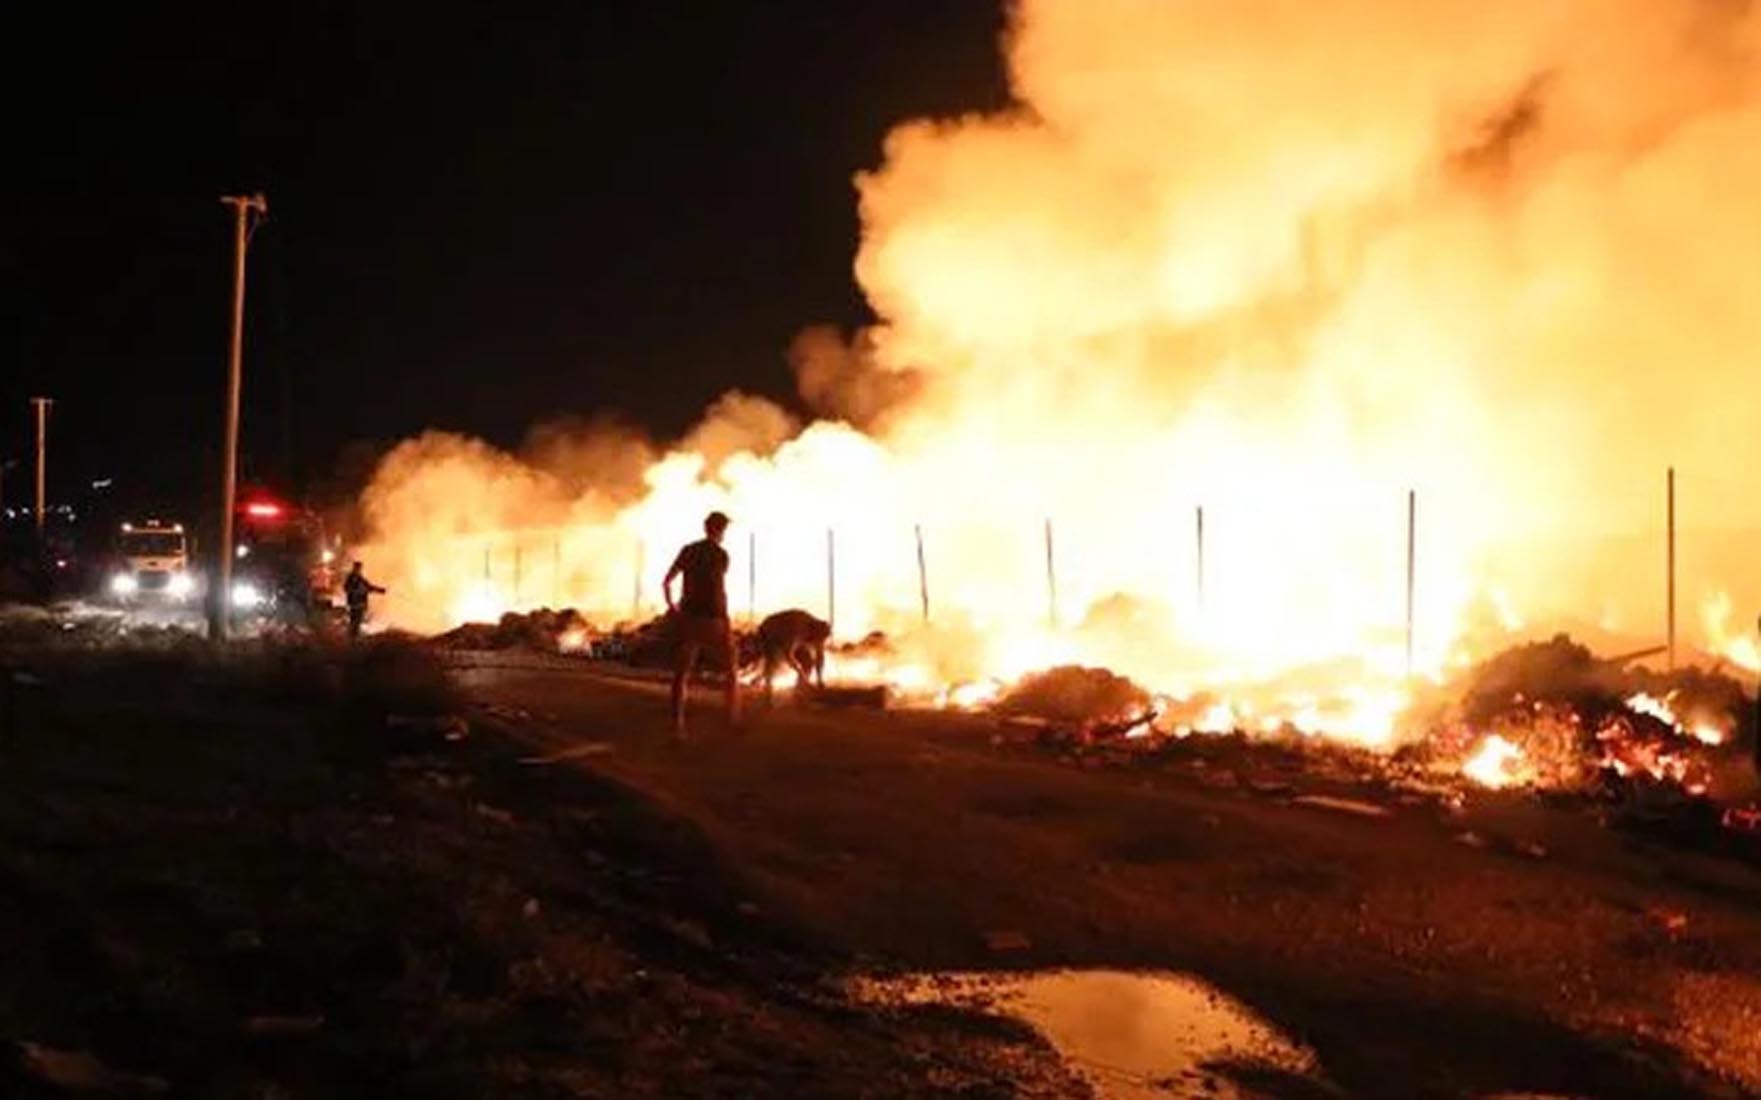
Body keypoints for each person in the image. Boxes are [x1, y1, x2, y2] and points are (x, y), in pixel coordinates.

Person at [663, 511, 740, 734]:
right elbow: (718, 589)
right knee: (731, 669)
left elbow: (667, 582)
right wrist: (726, 621)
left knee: (682, 673)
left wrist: (672, 607)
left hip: (689, 619)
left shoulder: (688, 551)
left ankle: (677, 725)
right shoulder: (721, 555)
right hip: (714, 619)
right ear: (721, 530)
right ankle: (731, 718)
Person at [756, 608, 829, 706]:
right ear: (813, 631)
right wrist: (801, 672)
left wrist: (819, 680)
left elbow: (820, 656)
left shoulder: (818, 632)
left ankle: (799, 692)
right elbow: (789, 655)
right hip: (769, 632)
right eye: (816, 639)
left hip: (787, 637)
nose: (816, 642)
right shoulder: (797, 629)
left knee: (808, 662)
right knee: (772, 663)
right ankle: (768, 696)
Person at [342, 561, 386, 639]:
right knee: (355, 621)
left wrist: (380, 590)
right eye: (357, 568)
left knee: (357, 621)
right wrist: (356, 591)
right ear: (355, 568)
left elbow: (369, 587)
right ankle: (352, 637)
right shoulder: (351, 578)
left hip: (360, 603)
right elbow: (346, 588)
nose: (358, 570)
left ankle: (354, 636)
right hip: (355, 604)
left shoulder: (360, 578)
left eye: (359, 568)